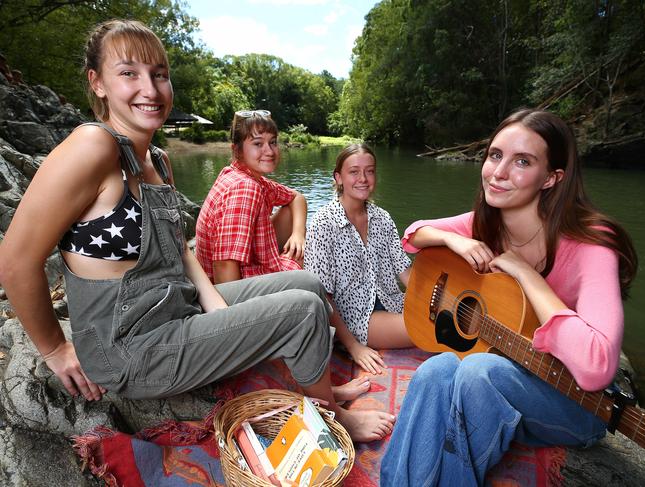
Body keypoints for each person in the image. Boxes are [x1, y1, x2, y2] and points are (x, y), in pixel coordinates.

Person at [0, 19, 395, 442]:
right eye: (129, 73)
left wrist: (222, 313)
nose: (150, 89)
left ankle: (319, 388)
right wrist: (55, 349)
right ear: (97, 83)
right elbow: (16, 259)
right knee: (302, 311)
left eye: (160, 75)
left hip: (177, 310)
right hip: (134, 349)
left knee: (308, 283)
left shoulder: (158, 159)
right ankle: (334, 420)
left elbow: (179, 250)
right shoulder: (93, 147)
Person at [380, 108, 637, 485]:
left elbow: (596, 366)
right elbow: (414, 233)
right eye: (495, 155)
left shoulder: (592, 243)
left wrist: (526, 273)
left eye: (522, 161)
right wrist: (454, 238)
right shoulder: (487, 223)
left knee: (478, 370)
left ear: (552, 178)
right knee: (436, 371)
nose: (499, 172)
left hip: (578, 402)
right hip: (510, 381)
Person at [304, 144, 413, 375]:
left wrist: (438, 301)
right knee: (431, 329)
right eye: (354, 171)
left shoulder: (382, 218)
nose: (363, 178)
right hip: (355, 319)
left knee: (447, 317)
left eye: (370, 171)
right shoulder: (323, 224)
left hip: (392, 301)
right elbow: (321, 296)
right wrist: (354, 347)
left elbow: (405, 272)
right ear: (338, 178)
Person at [195, 111, 306, 284]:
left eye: (273, 142)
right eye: (258, 143)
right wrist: (239, 311)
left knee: (299, 241)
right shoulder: (245, 187)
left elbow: (296, 197)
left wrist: (298, 235)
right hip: (226, 289)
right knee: (312, 262)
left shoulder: (245, 176)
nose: (269, 151)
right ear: (237, 150)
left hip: (244, 269)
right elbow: (224, 266)